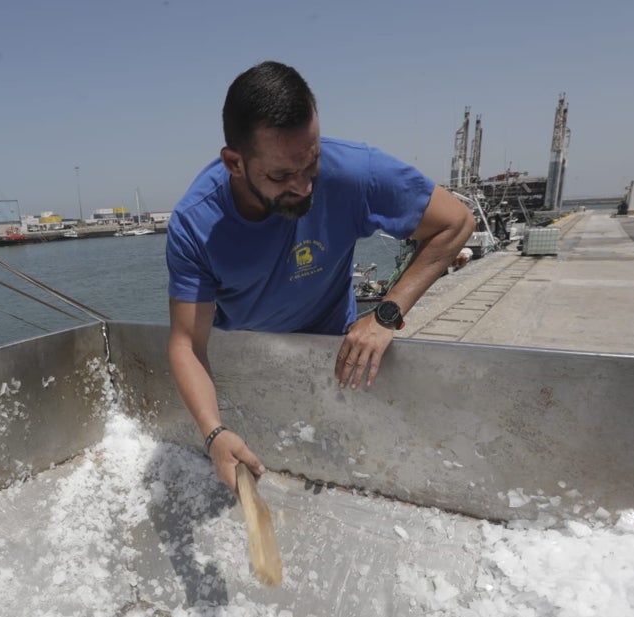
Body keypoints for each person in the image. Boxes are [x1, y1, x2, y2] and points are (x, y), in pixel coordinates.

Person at [166, 61, 475, 491]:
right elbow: (188, 344)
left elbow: (456, 223)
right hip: (245, 359)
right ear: (234, 163)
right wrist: (213, 432)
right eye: (281, 176)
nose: (304, 186)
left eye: (310, 164)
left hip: (335, 353)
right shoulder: (195, 223)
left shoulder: (353, 172)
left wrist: (387, 314)